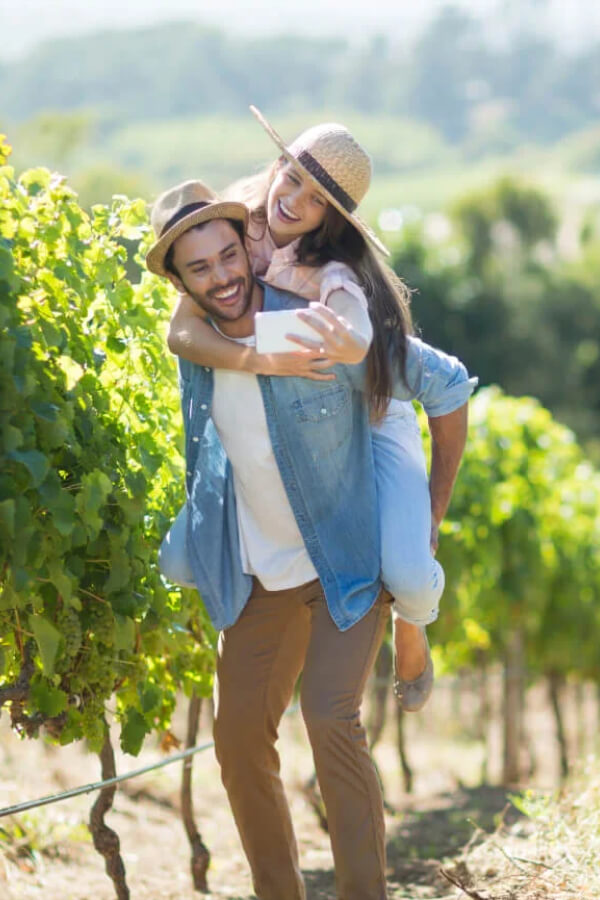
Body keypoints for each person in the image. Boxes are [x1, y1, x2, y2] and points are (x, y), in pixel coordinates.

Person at [145, 179, 476, 899]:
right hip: (260, 569)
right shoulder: (195, 341)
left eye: (230, 256)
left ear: (250, 247)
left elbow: (446, 384)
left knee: (330, 717)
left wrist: (426, 520)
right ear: (179, 282)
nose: (223, 277)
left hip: (342, 563)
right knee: (236, 743)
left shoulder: (312, 322)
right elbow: (183, 333)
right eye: (199, 269)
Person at [166, 108, 450, 711]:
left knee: (403, 570)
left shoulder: (331, 270)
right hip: (304, 404)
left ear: (331, 219)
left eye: (316, 197)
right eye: (292, 176)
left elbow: (354, 339)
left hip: (369, 408)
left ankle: (411, 622)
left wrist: (343, 335)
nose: (293, 199)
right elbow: (181, 332)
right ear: (277, 166)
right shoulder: (237, 223)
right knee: (182, 558)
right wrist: (257, 361)